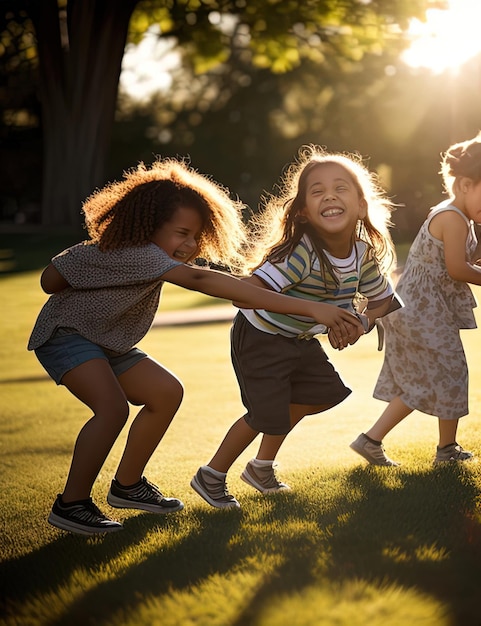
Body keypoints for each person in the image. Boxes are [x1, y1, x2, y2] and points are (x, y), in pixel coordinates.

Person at [28, 157, 363, 536]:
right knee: (111, 409)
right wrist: (309, 306)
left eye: (195, 237)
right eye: (181, 233)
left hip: (110, 343)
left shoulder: (145, 256)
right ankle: (71, 505)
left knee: (166, 392)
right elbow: (202, 280)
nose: (189, 245)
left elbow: (53, 279)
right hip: (68, 334)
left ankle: (128, 486)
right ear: (148, 225)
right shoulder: (135, 252)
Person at [191, 145, 398, 509]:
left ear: (361, 206)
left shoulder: (363, 254)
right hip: (261, 335)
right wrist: (316, 311)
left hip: (297, 339)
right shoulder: (300, 250)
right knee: (264, 413)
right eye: (317, 191)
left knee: (316, 394)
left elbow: (384, 301)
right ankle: (212, 475)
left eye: (341, 188)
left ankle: (260, 468)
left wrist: (361, 323)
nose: (329, 195)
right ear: (303, 211)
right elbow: (245, 295)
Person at [350, 133, 481, 467]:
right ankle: (447, 451)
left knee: (422, 380)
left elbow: (467, 259)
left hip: (420, 310)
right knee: (451, 371)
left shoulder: (461, 218)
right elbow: (457, 268)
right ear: (466, 184)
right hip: (419, 310)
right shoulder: (451, 217)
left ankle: (369, 441)